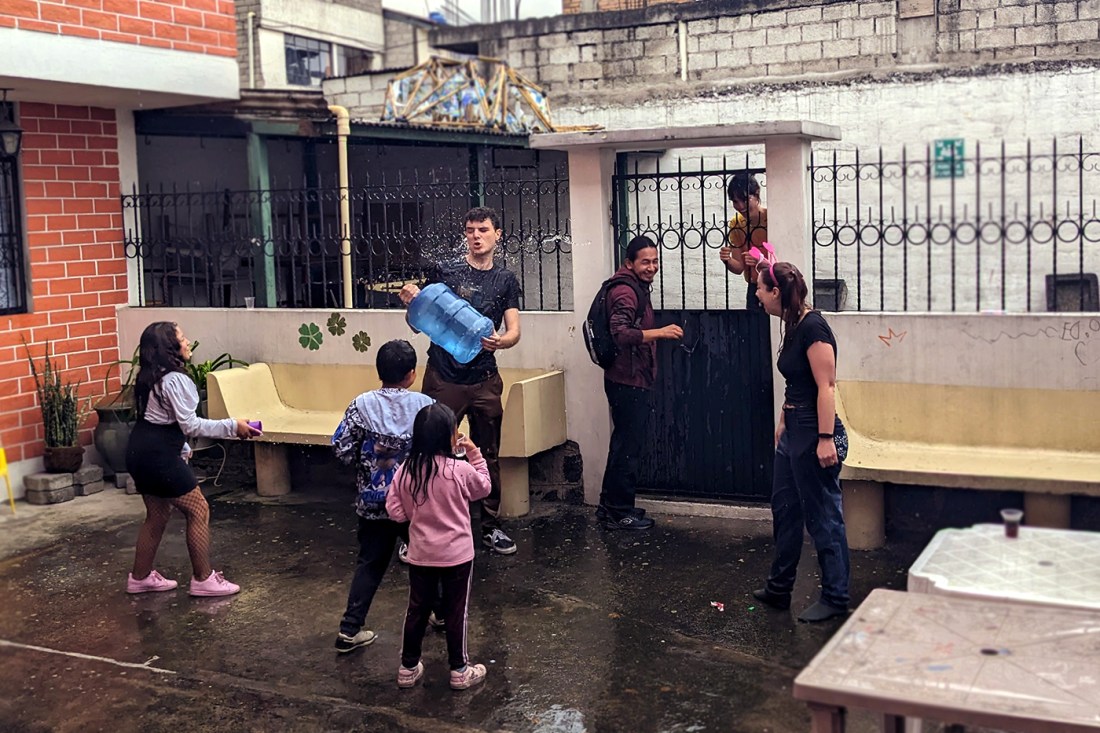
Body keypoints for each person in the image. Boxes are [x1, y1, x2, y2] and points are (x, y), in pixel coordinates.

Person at [398, 206, 521, 556]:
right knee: (428, 450)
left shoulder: (505, 280)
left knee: (487, 453)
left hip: (484, 379)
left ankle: (490, 527)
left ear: (498, 235)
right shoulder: (445, 273)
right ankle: (419, 529)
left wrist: (503, 341)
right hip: (443, 377)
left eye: (483, 229)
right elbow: (418, 321)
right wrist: (411, 301)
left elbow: (514, 330)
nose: (476, 236)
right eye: (470, 230)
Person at [124, 321, 257, 597]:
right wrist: (234, 426)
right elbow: (191, 425)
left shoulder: (151, 376)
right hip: (158, 457)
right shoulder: (176, 380)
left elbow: (164, 422)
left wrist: (182, 449)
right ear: (169, 348)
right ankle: (203, 579)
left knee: (158, 515)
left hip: (140, 451)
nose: (187, 343)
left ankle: (140, 578)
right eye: (182, 338)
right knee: (198, 510)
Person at [751, 260, 850, 623]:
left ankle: (837, 597)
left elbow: (826, 386)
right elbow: (798, 380)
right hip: (794, 428)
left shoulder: (813, 327)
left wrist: (825, 439)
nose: (758, 296)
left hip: (814, 431)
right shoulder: (792, 324)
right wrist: (782, 418)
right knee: (786, 510)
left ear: (776, 292)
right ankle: (779, 589)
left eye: (761, 289)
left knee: (824, 516)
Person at [330, 339, 435, 653]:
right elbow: (441, 450)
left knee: (370, 563)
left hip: (373, 504)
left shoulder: (361, 404)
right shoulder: (425, 405)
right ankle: (441, 613)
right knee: (428, 560)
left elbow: (342, 447)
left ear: (379, 371)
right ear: (411, 374)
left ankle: (350, 629)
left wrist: (366, 469)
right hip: (415, 504)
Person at [386, 403, 491, 690]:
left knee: (417, 609)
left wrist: (414, 521)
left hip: (421, 554)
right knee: (457, 611)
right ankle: (459, 670)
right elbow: (484, 487)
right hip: (457, 556)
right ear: (450, 436)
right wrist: (473, 451)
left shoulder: (406, 470)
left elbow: (394, 509)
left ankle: (408, 668)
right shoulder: (459, 470)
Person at [595, 235, 683, 530]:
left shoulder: (632, 286)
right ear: (629, 263)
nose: (651, 267)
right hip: (627, 379)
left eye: (655, 261)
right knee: (627, 447)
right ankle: (621, 512)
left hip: (628, 377)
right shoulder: (625, 292)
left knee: (623, 444)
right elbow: (620, 333)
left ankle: (610, 508)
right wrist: (660, 333)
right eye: (645, 261)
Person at [719, 172, 769, 310]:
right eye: (735, 201)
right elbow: (739, 267)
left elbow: (786, 260)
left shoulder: (772, 218)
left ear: (757, 194)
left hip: (776, 283)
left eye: (745, 199)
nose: (740, 206)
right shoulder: (736, 224)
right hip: (754, 287)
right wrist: (727, 260)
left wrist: (762, 262)